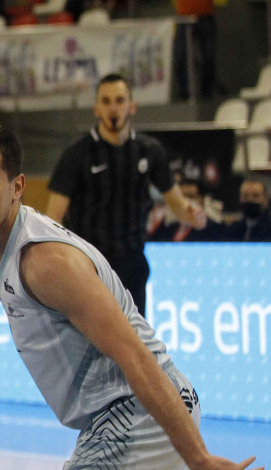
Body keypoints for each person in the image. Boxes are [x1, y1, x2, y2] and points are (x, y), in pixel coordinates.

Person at [0, 121, 265, 470]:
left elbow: (135, 355)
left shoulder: (46, 263)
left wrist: (199, 459)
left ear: (17, 186)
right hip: (132, 409)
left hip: (138, 410)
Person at [44, 73, 206, 315]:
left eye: (120, 101)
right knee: (92, 343)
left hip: (132, 263)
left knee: (134, 343)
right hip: (89, 265)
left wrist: (191, 213)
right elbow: (53, 217)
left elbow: (176, 202)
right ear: (96, 109)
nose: (113, 108)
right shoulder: (77, 155)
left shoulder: (149, 151)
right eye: (106, 101)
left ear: (132, 107)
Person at [166, 0, 222, 99]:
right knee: (180, 56)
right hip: (184, 17)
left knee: (209, 56)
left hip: (205, 16)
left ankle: (206, 93)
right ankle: (184, 92)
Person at [147, 178, 227, 241]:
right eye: (184, 197)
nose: (188, 203)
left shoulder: (213, 229)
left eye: (191, 197)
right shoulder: (169, 229)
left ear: (201, 201)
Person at [225, 177, 271, 241]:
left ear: (266, 200)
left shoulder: (269, 229)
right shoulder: (233, 229)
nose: (250, 200)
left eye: (255, 196)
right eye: (245, 196)